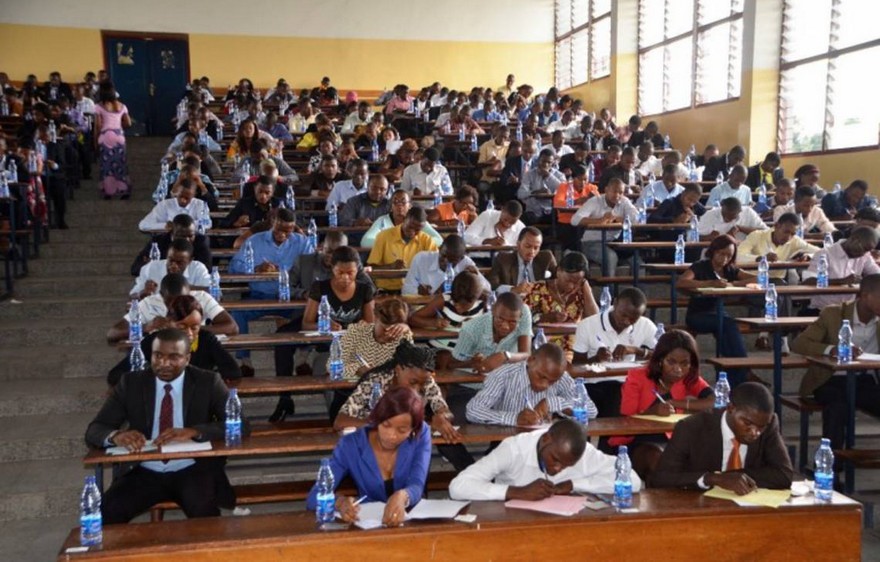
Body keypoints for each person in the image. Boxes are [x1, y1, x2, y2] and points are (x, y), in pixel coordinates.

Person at [85, 328, 249, 523]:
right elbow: (95, 430)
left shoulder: (207, 381)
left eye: (174, 357)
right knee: (104, 515)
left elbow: (242, 425)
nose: (164, 363)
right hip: (144, 469)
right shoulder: (131, 383)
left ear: (187, 358)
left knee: (207, 521)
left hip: (192, 468)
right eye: (158, 356)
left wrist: (195, 432)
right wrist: (115, 436)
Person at [334, 341, 471, 471]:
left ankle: (468, 477)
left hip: (408, 438)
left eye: (421, 385)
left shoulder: (425, 379)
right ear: (399, 369)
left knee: (442, 441)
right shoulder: (375, 381)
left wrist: (442, 417)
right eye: (413, 382)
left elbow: (442, 407)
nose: (417, 389)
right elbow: (340, 421)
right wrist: (378, 424)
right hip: (375, 441)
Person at [307, 386, 431, 527]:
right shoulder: (351, 445)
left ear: (413, 429)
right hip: (369, 522)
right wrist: (339, 502)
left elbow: (417, 483)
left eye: (402, 430)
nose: (391, 435)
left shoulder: (421, 434)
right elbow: (314, 496)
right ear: (377, 419)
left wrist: (403, 496)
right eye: (385, 425)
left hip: (411, 519)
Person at [650, 382, 794, 493]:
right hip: (701, 509)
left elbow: (784, 475)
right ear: (731, 408)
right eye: (747, 423)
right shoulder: (691, 427)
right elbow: (661, 478)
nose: (755, 432)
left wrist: (733, 477)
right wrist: (712, 478)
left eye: (761, 427)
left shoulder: (768, 425)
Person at [449, 418, 642, 501]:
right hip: (512, 522)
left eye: (567, 465)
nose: (558, 469)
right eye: (555, 459)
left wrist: (573, 484)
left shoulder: (585, 453)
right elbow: (458, 487)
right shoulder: (514, 448)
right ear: (546, 439)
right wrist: (515, 492)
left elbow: (632, 481)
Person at [610, 330, 716, 479]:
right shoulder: (637, 377)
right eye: (671, 362)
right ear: (660, 360)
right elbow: (625, 422)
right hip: (634, 443)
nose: (678, 369)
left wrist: (675, 402)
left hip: (672, 441)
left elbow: (714, 401)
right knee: (657, 459)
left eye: (684, 363)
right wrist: (652, 412)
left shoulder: (688, 378)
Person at [791, 274, 880, 450]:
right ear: (864, 295)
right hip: (831, 380)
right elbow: (799, 343)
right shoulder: (833, 314)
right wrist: (832, 350)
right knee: (837, 408)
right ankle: (830, 467)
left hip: (866, 381)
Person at [227, 209, 309, 372]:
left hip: (292, 297)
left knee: (310, 310)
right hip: (260, 296)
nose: (283, 234)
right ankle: (245, 362)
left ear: (294, 228)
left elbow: (311, 266)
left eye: (288, 230)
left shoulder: (301, 242)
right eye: (279, 229)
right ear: (273, 224)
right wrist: (256, 268)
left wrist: (283, 269)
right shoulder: (255, 240)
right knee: (238, 313)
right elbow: (234, 266)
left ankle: (303, 359)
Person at [108, 295, 241, 385]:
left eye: (194, 327)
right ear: (170, 323)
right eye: (182, 327)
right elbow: (115, 375)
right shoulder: (155, 340)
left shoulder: (206, 339)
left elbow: (233, 371)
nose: (189, 333)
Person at [679, 235, 757, 387]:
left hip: (718, 314)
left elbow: (758, 278)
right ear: (713, 251)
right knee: (728, 324)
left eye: (729, 255)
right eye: (721, 254)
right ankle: (743, 372)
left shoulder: (729, 269)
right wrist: (709, 283)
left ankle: (735, 375)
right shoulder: (701, 266)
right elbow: (681, 282)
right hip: (698, 315)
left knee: (727, 328)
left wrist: (733, 284)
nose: (724, 258)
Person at [569, 287, 657, 417]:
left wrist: (636, 350)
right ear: (614, 304)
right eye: (623, 315)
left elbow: (665, 354)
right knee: (612, 395)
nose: (626, 321)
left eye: (633, 319)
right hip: (594, 383)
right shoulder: (588, 325)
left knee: (622, 393)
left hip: (627, 383)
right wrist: (595, 359)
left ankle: (612, 436)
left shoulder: (646, 325)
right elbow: (576, 364)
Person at [466, 343, 596, 425]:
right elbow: (473, 410)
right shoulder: (503, 375)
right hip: (507, 440)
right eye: (541, 376)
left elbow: (591, 410)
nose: (545, 385)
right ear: (530, 360)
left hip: (545, 444)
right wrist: (514, 418)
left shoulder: (560, 377)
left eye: (552, 381)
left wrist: (554, 403)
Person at [108, 273, 237, 343]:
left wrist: (192, 329)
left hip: (196, 352)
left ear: (190, 292)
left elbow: (232, 327)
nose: (179, 305)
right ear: (161, 296)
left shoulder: (202, 297)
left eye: (184, 299)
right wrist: (146, 327)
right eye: (172, 302)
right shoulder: (149, 303)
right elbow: (113, 333)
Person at [520, 252, 598, 352]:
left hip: (576, 346)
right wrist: (545, 317)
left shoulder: (581, 291)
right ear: (558, 271)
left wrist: (586, 287)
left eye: (577, 281)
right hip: (546, 346)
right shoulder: (538, 289)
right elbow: (522, 319)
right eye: (568, 280)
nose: (572, 286)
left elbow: (594, 319)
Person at [449, 291, 532, 372]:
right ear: (493, 310)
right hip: (473, 383)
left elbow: (526, 354)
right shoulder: (471, 329)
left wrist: (505, 356)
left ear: (520, 317)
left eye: (512, 322)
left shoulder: (523, 311)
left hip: (506, 382)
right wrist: (472, 362)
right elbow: (452, 364)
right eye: (500, 319)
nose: (505, 327)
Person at [409, 271, 488, 357]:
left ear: (475, 299)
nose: (458, 308)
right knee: (444, 357)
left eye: (463, 305)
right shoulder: (444, 300)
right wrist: (434, 322)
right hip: (441, 347)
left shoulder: (484, 304)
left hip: (470, 352)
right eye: (455, 302)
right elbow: (413, 319)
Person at [336, 298, 413, 381]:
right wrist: (357, 369)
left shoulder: (402, 337)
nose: (387, 334)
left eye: (393, 330)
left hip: (388, 391)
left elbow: (408, 370)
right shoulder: (356, 331)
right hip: (353, 389)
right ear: (376, 318)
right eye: (384, 329)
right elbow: (332, 367)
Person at [803, 227, 880, 309]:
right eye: (864, 249)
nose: (864, 253)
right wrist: (841, 281)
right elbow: (808, 282)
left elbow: (877, 274)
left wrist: (865, 281)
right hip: (822, 309)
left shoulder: (865, 255)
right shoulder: (825, 254)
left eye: (868, 250)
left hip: (849, 310)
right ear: (854, 239)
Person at [572, 178, 638, 274]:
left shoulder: (624, 201)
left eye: (621, 192)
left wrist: (618, 219)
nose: (617, 195)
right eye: (614, 191)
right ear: (606, 190)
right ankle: (607, 288)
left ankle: (638, 289)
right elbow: (574, 220)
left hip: (614, 242)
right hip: (592, 243)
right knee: (610, 257)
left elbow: (637, 219)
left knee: (637, 259)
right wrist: (600, 221)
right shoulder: (595, 201)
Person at [367, 207, 439, 292]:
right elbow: (371, 268)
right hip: (387, 290)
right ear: (404, 219)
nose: (413, 232)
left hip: (415, 290)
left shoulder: (427, 241)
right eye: (410, 227)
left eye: (417, 230)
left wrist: (426, 284)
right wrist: (391, 266)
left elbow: (436, 269)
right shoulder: (383, 236)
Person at [737, 212, 818, 282]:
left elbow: (821, 252)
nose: (788, 237)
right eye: (786, 232)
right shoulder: (757, 236)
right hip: (752, 280)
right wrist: (761, 258)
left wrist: (808, 256)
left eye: (793, 234)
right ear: (776, 226)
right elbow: (738, 256)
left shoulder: (795, 241)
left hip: (778, 282)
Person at [402, 234, 490, 296]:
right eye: (443, 255)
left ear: (461, 258)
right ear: (439, 248)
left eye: (452, 260)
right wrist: (417, 291)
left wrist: (477, 276)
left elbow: (488, 289)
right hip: (424, 306)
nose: (446, 261)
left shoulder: (466, 263)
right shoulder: (421, 259)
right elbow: (405, 290)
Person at [131, 215, 212, 276]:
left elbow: (207, 268)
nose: (187, 240)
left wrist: (160, 267)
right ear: (171, 232)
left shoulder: (201, 241)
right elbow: (135, 269)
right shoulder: (158, 241)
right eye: (182, 236)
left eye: (191, 236)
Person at [361, 189, 443, 248]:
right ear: (391, 206)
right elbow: (365, 242)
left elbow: (439, 240)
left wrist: (416, 243)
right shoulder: (382, 221)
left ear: (410, 205)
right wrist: (392, 242)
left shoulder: (417, 219)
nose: (399, 205)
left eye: (403, 202)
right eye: (395, 202)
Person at [130, 239, 211, 299]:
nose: (174, 265)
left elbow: (212, 291)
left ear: (190, 260)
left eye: (180, 262)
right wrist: (143, 293)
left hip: (190, 315)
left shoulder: (198, 268)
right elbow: (132, 296)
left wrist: (184, 286)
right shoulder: (150, 268)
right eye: (171, 260)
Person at [487, 227, 557, 292]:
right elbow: (492, 284)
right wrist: (513, 289)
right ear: (518, 244)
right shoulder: (503, 259)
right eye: (527, 246)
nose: (532, 251)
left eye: (536, 248)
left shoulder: (546, 258)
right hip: (514, 302)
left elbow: (559, 280)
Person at [94, 80, 132, 198]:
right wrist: (119, 128)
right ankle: (124, 190)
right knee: (121, 163)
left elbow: (98, 126)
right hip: (119, 136)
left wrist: (95, 142)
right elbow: (128, 123)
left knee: (106, 165)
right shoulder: (121, 106)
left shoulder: (98, 107)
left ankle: (108, 191)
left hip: (105, 136)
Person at [138, 179, 211, 232]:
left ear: (194, 195)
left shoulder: (200, 204)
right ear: (176, 193)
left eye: (187, 198)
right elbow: (143, 225)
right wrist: (165, 226)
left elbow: (207, 224)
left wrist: (178, 225)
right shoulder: (164, 205)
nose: (183, 200)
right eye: (180, 196)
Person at [518, 148, 565, 225]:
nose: (545, 164)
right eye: (543, 161)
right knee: (524, 218)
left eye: (549, 162)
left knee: (562, 218)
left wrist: (548, 176)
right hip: (534, 211)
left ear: (553, 163)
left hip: (551, 211)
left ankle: (552, 236)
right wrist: (534, 192)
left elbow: (563, 190)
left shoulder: (559, 175)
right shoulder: (529, 174)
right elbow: (520, 194)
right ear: (538, 160)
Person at [697, 197, 767, 242]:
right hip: (716, 253)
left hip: (744, 251)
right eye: (724, 215)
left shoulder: (748, 212)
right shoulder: (709, 215)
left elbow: (766, 232)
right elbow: (694, 238)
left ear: (740, 212)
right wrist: (709, 237)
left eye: (731, 217)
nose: (726, 219)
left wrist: (740, 228)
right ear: (721, 208)